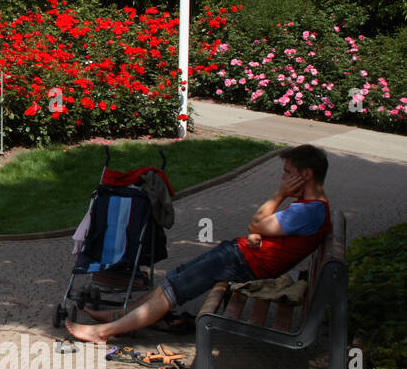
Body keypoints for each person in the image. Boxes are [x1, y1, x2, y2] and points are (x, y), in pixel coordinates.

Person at [66, 144, 331, 345]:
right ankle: (118, 317)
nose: (283, 178)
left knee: (171, 290)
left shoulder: (308, 211)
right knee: (173, 280)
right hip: (240, 257)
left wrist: (280, 194)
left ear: (305, 175)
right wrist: (260, 234)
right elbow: (265, 230)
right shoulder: (312, 208)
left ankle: (103, 333)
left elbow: (256, 223)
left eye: (287, 173)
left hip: (240, 263)